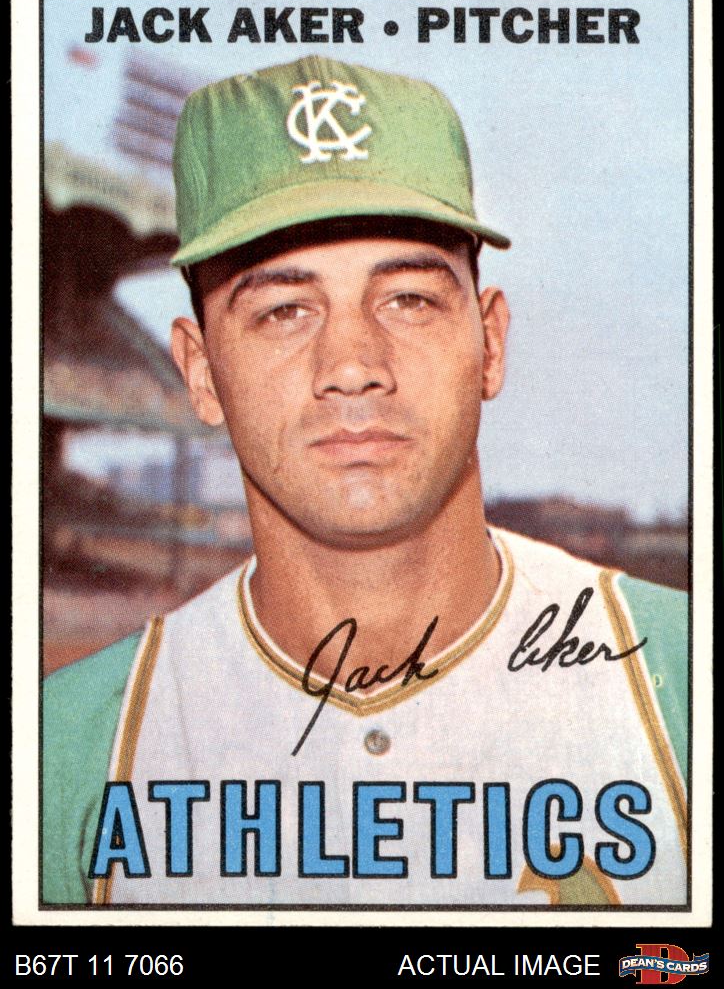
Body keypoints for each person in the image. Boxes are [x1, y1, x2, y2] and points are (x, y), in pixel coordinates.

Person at [43, 56, 687, 908]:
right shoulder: (67, 750)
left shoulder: (685, 681)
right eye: (283, 309)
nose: (352, 365)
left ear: (490, 343)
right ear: (200, 372)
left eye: (408, 299)